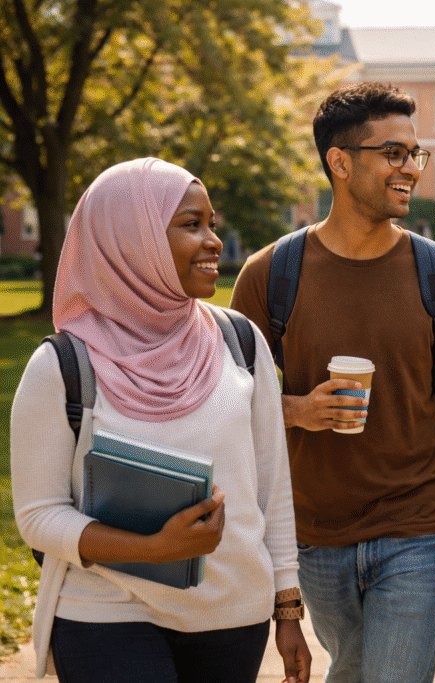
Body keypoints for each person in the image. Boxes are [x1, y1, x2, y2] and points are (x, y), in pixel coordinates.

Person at [230, 82, 435, 683]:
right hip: (312, 531)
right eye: (394, 154)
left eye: (415, 154)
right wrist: (295, 410)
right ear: (341, 162)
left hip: (416, 524)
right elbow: (228, 398)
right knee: (352, 670)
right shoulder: (271, 274)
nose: (411, 170)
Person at [11, 158, 310, 682]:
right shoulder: (61, 365)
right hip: (105, 611)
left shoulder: (240, 343)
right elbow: (38, 516)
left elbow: (272, 488)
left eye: (211, 224)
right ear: (132, 239)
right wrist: (154, 551)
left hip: (231, 614)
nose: (214, 240)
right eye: (191, 225)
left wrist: (287, 609)